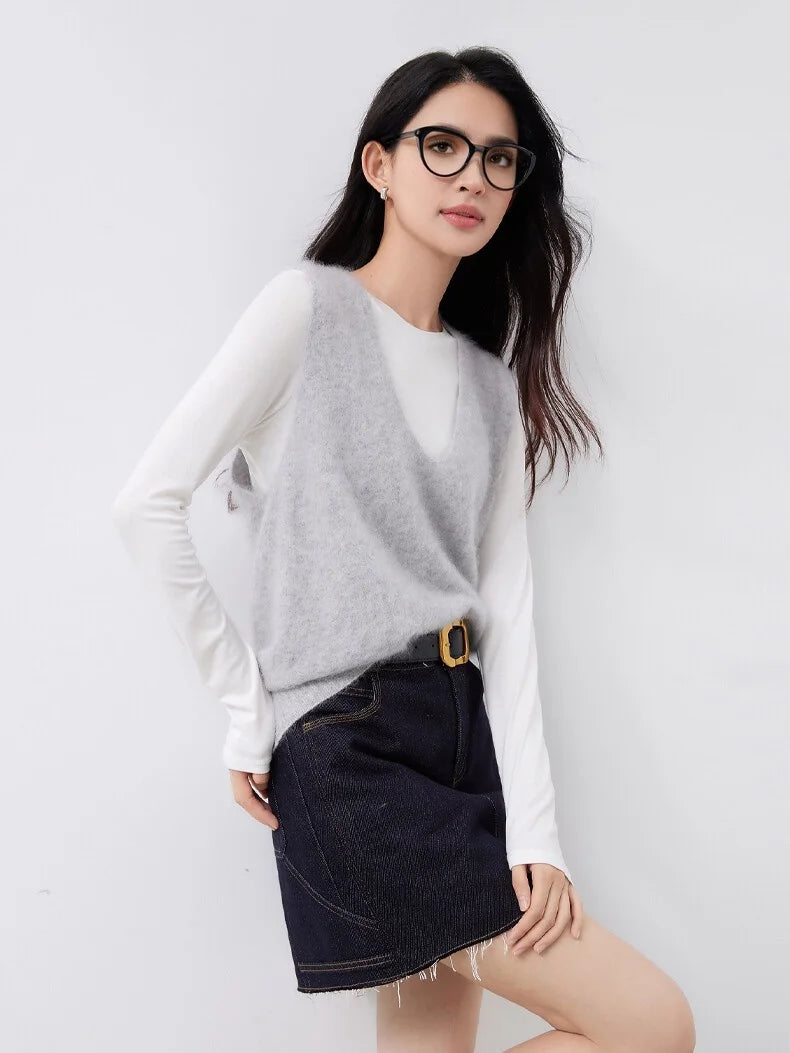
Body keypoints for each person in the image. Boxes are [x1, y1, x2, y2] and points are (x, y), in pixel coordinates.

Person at [112, 45, 696, 1053]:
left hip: (460, 741)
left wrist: (537, 833)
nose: (473, 177)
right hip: (346, 749)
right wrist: (248, 711)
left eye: (499, 159)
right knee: (650, 1024)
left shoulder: (488, 387)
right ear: (378, 164)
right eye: (443, 146)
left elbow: (507, 615)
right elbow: (146, 505)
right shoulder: (306, 312)